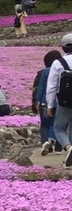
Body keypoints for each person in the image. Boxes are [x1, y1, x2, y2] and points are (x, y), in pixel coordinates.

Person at [44, 33, 72, 165]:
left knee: (59, 128)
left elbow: (52, 86)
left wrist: (50, 105)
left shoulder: (58, 63)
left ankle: (68, 147)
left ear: (63, 48)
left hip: (65, 101)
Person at [36, 51, 60, 151]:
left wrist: (37, 101)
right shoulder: (61, 70)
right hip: (58, 102)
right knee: (55, 124)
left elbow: (40, 87)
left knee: (44, 125)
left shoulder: (45, 71)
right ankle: (52, 142)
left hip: (44, 102)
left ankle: (45, 145)